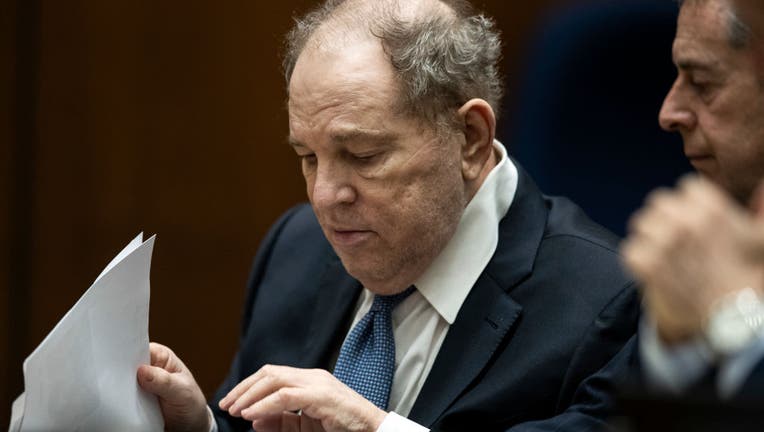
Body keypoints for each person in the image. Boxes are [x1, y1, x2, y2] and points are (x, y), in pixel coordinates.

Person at [137, 0, 639, 431]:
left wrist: (377, 429)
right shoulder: (295, 248)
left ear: (470, 138)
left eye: (362, 154)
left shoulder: (610, 304)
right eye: (308, 158)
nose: (326, 196)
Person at [622, 0, 764, 402]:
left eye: (702, 83)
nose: (668, 113)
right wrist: (677, 342)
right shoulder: (708, 243)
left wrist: (734, 320)